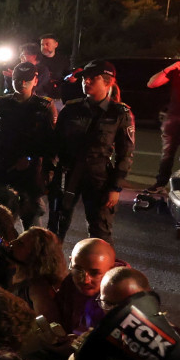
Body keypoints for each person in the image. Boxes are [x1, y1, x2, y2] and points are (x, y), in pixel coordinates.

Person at [49, 60, 135, 244]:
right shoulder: (71, 109)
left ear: (107, 82)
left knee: (100, 231)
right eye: (84, 78)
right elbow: (55, 143)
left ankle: (99, 271)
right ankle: (49, 268)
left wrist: (115, 187)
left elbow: (125, 153)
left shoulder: (119, 113)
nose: (85, 82)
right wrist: (49, 171)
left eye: (92, 79)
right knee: (55, 229)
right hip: (68, 173)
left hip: (98, 176)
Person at [0, 61, 57, 229]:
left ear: (35, 80)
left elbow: (51, 144)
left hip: (30, 175)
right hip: (2, 171)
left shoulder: (44, 107)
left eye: (26, 80)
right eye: (18, 79)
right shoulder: (1, 105)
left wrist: (35, 161)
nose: (21, 83)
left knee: (32, 226)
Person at [145, 39, 180, 194]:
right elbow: (152, 83)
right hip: (173, 115)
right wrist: (169, 68)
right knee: (167, 153)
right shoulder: (178, 67)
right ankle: (160, 183)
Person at [39, 237, 121, 334]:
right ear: (71, 261)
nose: (85, 280)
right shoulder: (69, 283)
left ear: (111, 269)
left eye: (94, 273)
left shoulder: (121, 298)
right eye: (78, 270)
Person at [39, 33, 70, 103]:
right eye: (42, 44)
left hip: (56, 99)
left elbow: (67, 75)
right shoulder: (37, 60)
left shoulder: (63, 60)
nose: (44, 47)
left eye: (47, 44)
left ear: (56, 45)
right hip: (39, 98)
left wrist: (71, 78)